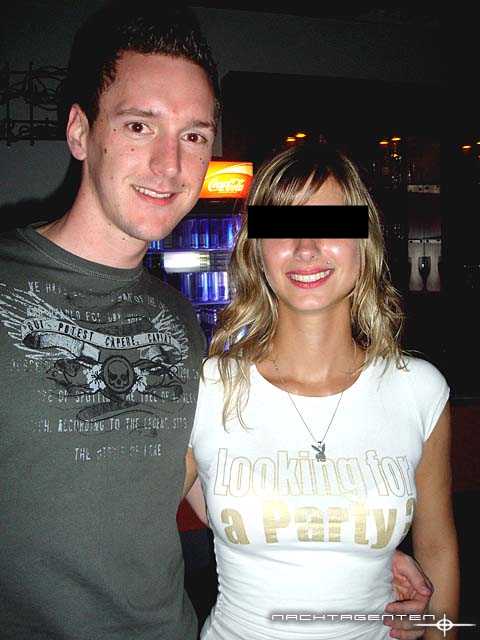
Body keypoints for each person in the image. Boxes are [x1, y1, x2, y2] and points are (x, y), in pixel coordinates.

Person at [0, 3, 433, 639]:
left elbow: (198, 482)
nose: (169, 164)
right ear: (79, 131)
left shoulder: (177, 322)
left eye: (195, 136)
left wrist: (350, 553)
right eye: (140, 126)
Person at [185, 142, 459, 639]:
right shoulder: (209, 389)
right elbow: (137, 521)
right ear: (257, 252)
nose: (305, 247)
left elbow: (437, 546)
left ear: (363, 242)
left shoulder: (419, 390)